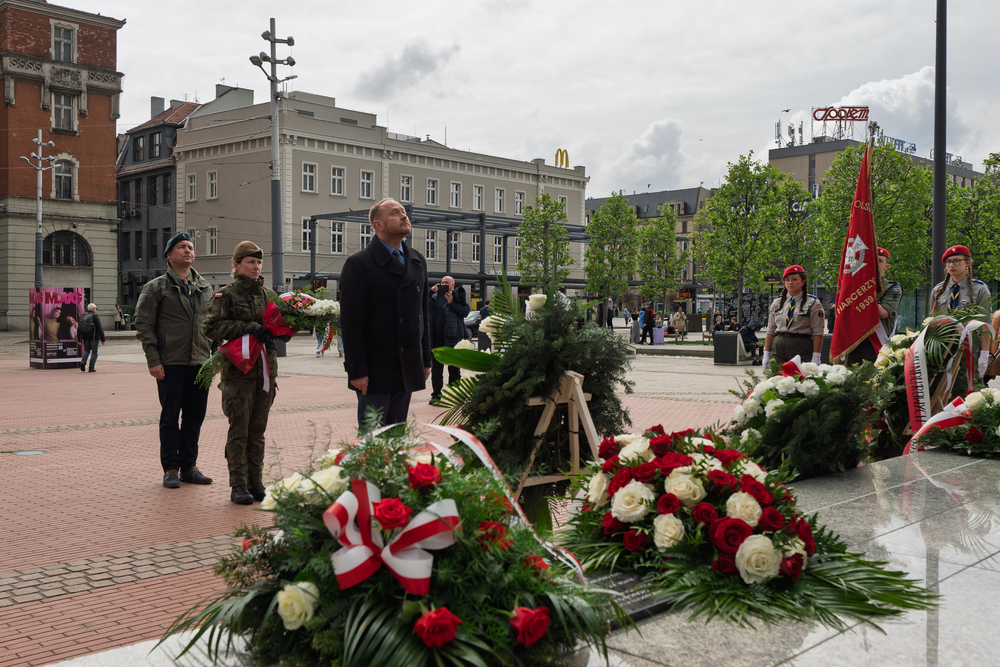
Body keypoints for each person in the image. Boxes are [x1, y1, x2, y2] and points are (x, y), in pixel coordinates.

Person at [204, 241, 292, 505]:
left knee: (258, 430)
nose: (257, 267)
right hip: (239, 374)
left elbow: (281, 326)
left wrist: (291, 326)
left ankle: (255, 481)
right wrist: (249, 327)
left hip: (265, 373)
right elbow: (212, 327)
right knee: (239, 430)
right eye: (251, 262)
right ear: (237, 264)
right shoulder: (226, 295)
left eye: (259, 262)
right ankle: (238, 484)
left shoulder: (268, 295)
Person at [340, 198, 432, 429]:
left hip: (407, 366)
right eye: (395, 213)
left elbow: (423, 314)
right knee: (373, 443)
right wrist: (356, 369)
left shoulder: (417, 260)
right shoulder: (359, 264)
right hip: (375, 370)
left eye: (403, 211)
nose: (404, 216)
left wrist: (425, 360)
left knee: (397, 439)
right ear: (378, 225)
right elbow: (350, 323)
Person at [135, 232, 214, 490]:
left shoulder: (205, 287)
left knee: (195, 418)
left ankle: (189, 467)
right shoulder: (156, 287)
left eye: (190, 247)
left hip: (201, 363)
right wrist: (153, 360)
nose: (188, 251)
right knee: (170, 418)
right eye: (182, 247)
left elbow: (212, 326)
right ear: (169, 255)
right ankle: (171, 468)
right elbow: (144, 325)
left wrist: (214, 359)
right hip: (170, 363)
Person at [845, 247, 903, 365]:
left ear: (886, 266)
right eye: (873, 259)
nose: (876, 263)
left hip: (875, 343)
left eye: (880, 261)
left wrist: (863, 292)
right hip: (854, 341)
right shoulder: (855, 285)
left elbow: (883, 312)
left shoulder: (892, 288)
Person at [763, 264, 825, 367]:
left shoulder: (812, 302)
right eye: (787, 280)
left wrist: (816, 356)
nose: (790, 282)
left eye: (794, 279)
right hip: (778, 348)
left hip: (801, 348)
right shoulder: (777, 303)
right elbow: (771, 330)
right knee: (777, 380)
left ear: (803, 281)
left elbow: (818, 332)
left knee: (798, 380)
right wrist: (766, 353)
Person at [428, 275, 470, 404]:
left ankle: (455, 395)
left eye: (447, 283)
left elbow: (465, 312)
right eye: (442, 282)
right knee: (436, 370)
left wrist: (452, 302)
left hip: (453, 339)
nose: (444, 284)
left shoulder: (458, 297)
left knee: (454, 369)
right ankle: (436, 395)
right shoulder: (434, 298)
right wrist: (431, 291)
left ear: (452, 285)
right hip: (436, 340)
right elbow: (419, 303)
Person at [930, 244, 990, 314]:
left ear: (968, 262)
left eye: (956, 260)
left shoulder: (979, 289)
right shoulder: (938, 290)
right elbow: (933, 320)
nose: (951, 265)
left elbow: (986, 321)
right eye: (949, 261)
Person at [78, 303, 105, 373]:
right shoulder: (95, 316)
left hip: (85, 337)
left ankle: (83, 361)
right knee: (94, 352)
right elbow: (99, 328)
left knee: (86, 350)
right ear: (93, 309)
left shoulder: (83, 316)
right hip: (94, 337)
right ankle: (91, 368)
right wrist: (103, 339)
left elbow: (79, 329)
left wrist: (79, 339)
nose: (96, 310)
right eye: (96, 308)